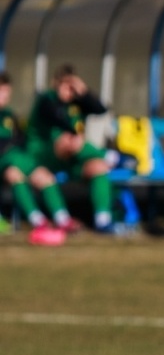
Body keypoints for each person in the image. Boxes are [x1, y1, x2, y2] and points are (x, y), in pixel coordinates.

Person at [26, 65, 119, 234]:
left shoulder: (77, 101)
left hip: (71, 159)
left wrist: (83, 91)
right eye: (66, 86)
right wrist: (75, 136)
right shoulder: (46, 100)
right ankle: (109, 156)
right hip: (44, 156)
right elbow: (56, 118)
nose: (70, 91)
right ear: (56, 84)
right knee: (67, 141)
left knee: (98, 166)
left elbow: (101, 110)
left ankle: (102, 220)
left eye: (72, 86)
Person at [0, 72, 68, 245]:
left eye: (8, 92)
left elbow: (20, 140)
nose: (6, 96)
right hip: (5, 162)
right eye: (2, 92)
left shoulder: (9, 115)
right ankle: (38, 221)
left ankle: (63, 219)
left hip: (18, 159)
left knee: (44, 176)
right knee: (14, 173)